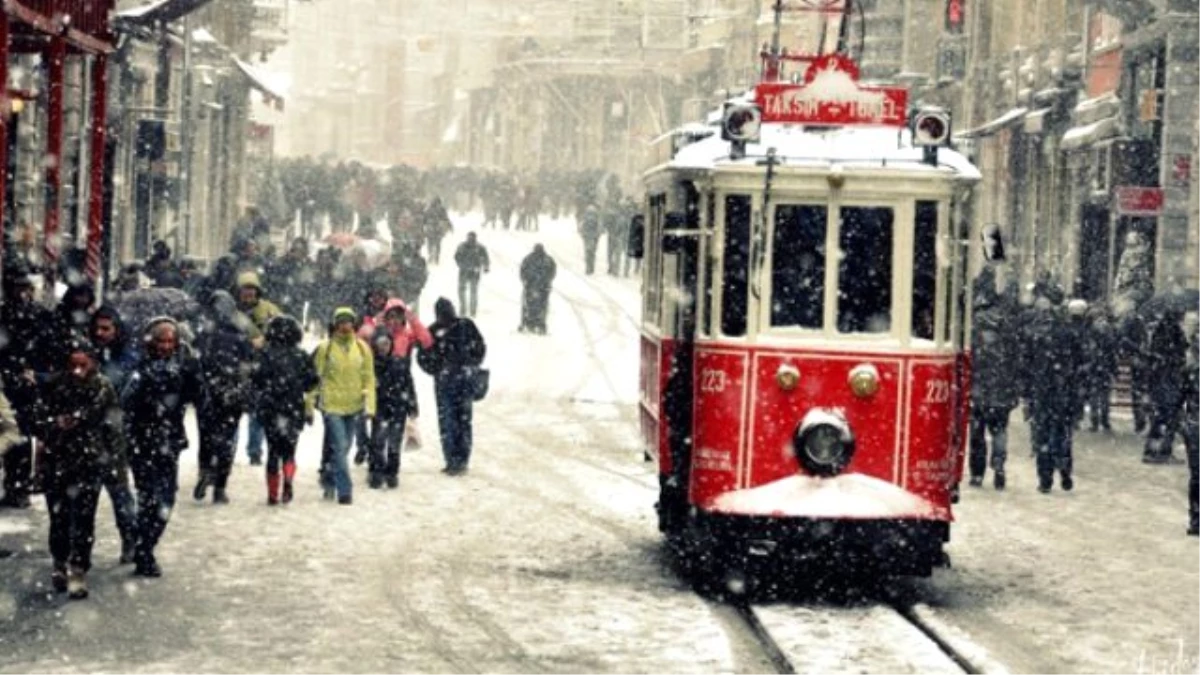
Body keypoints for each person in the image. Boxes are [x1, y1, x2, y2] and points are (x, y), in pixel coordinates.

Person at [122, 317, 201, 577]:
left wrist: (193, 369)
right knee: (149, 498)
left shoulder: (182, 367)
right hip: (141, 442)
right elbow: (126, 403)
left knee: (166, 499)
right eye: (161, 341)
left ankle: (144, 542)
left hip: (169, 442)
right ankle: (144, 552)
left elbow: (200, 397)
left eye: (171, 341)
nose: (166, 346)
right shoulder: (138, 367)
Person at [40, 342, 119, 599]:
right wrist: (54, 425)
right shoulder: (54, 386)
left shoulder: (103, 388)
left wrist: (113, 461)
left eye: (82, 365)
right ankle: (59, 563)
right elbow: (38, 419)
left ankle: (78, 568)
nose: (77, 371)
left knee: (84, 518)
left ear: (93, 364)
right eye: (72, 365)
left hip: (89, 461)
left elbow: (113, 426)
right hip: (57, 460)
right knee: (58, 517)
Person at [192, 291, 255, 504]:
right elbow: (249, 365)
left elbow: (195, 363)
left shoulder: (204, 335)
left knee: (207, 436)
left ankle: (205, 470)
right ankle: (220, 485)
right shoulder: (240, 334)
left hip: (207, 392)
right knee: (227, 439)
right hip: (231, 393)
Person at [0, 268, 55, 508]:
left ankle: (18, 484)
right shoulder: (10, 315)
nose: (22, 293)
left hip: (24, 382)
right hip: (11, 379)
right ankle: (17, 484)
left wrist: (37, 373)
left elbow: (47, 347)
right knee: (16, 435)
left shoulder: (37, 316)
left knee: (21, 436)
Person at [89, 306, 140, 564]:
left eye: (106, 328)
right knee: (86, 498)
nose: (100, 333)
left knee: (120, 493)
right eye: (97, 328)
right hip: (86, 436)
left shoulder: (128, 358)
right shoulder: (88, 352)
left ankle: (130, 540)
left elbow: (126, 395)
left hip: (114, 437)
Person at [311, 307, 376, 505]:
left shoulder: (363, 348)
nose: (345, 326)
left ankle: (329, 478)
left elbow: (369, 378)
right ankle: (345, 491)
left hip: (354, 406)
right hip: (331, 406)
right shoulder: (326, 348)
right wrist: (309, 405)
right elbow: (316, 378)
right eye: (341, 322)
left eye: (348, 322)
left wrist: (370, 406)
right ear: (335, 325)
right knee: (339, 447)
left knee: (343, 447)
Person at [253, 316, 318, 505]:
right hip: (293, 408)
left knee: (273, 451)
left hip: (270, 407)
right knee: (290, 450)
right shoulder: (301, 355)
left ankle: (272, 494)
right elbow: (312, 381)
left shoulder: (264, 354)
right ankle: (288, 478)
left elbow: (256, 379)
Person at [418, 298, 486, 475]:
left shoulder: (461, 326)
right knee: (454, 421)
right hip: (449, 381)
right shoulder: (440, 330)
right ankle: (455, 459)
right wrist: (439, 369)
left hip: (458, 380)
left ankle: (458, 459)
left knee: (456, 421)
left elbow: (480, 347)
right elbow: (423, 356)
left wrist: (471, 363)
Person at [1023, 292, 1082, 493]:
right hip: (1062, 391)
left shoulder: (1032, 334)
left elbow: (1026, 365)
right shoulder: (1068, 333)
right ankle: (1064, 470)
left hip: (1042, 392)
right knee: (1062, 433)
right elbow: (1079, 362)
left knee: (1042, 436)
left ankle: (1045, 478)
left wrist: (1027, 391)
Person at [968, 292, 1020, 490]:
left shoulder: (973, 332)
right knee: (999, 431)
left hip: (978, 391)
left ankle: (977, 473)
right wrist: (1014, 390)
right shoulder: (1008, 332)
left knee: (977, 434)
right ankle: (998, 465)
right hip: (1001, 393)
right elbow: (1016, 363)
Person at [236, 271, 281, 465]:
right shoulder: (231, 311)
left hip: (262, 367)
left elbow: (283, 331)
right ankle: (227, 450)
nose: (248, 293)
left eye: (251, 289)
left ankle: (254, 451)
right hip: (236, 367)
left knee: (257, 411)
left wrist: (266, 339)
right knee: (233, 410)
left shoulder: (270, 309)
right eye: (245, 289)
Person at [368, 329, 417, 489]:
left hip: (398, 407)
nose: (384, 347)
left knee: (394, 443)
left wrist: (412, 405)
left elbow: (409, 385)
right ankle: (377, 472)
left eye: (387, 344)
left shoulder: (399, 362)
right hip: (379, 407)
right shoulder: (370, 365)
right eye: (380, 344)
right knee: (378, 441)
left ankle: (392, 473)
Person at [1144, 308, 1188, 464]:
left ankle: (1151, 451)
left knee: (1159, 419)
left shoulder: (1159, 332)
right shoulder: (1174, 333)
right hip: (1168, 380)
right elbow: (1180, 353)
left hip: (1159, 381)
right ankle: (1163, 452)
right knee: (1171, 418)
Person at [519, 244, 557, 334]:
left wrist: (525, 280)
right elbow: (553, 271)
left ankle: (530, 322)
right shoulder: (547, 259)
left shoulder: (529, 259)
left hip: (536, 286)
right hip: (539, 286)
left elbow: (522, 270)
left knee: (530, 305)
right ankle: (537, 323)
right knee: (540, 306)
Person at [454, 232, 490, 319]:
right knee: (470, 292)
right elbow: (457, 257)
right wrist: (485, 267)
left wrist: (486, 266)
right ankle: (469, 310)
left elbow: (456, 257)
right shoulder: (478, 247)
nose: (470, 239)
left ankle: (466, 310)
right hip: (471, 271)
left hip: (469, 271)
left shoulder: (466, 246)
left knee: (466, 291)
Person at [579, 203, 602, 275]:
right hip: (594, 237)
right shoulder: (597, 216)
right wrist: (597, 235)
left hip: (587, 237)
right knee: (593, 253)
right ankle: (592, 267)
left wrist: (583, 235)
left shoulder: (585, 216)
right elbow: (599, 227)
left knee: (587, 252)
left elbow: (581, 226)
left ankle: (587, 268)